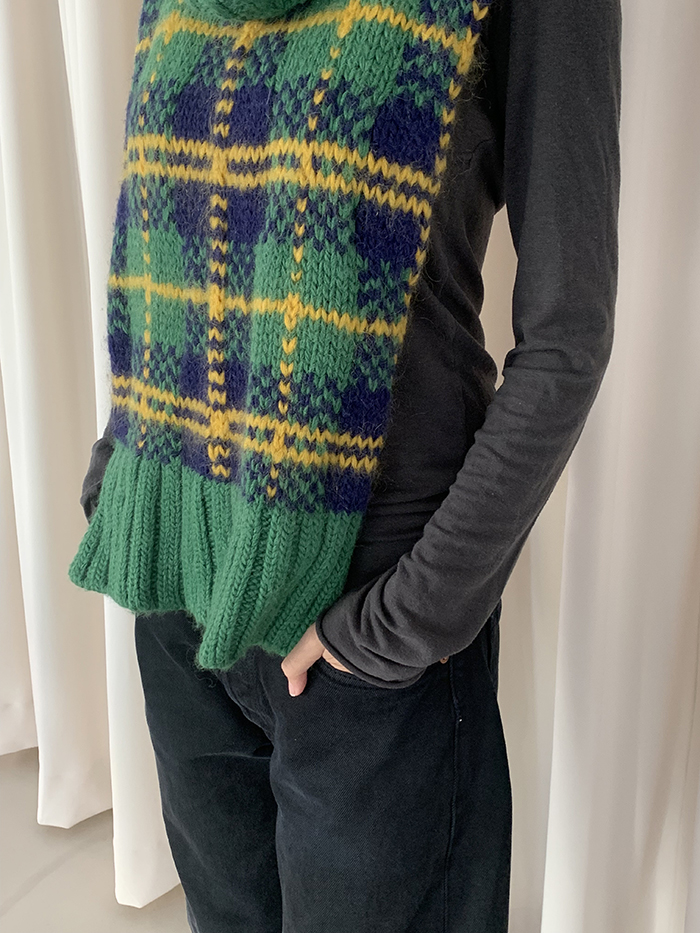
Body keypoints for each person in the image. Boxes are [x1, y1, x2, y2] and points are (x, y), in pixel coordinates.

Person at [74, 0, 621, 929]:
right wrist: (116, 473)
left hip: (365, 638)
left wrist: (406, 619)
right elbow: (173, 252)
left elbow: (567, 339)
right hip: (180, 590)